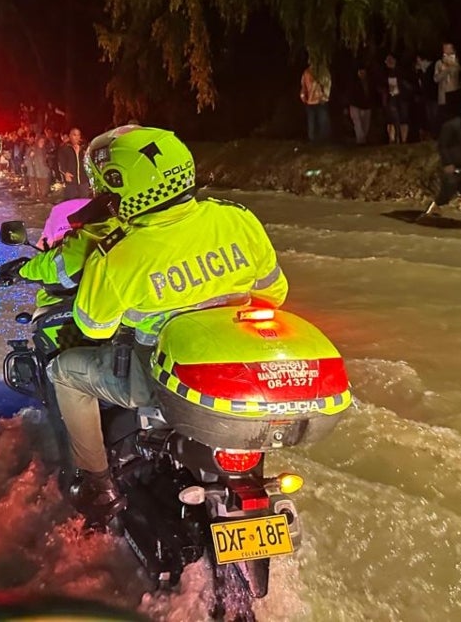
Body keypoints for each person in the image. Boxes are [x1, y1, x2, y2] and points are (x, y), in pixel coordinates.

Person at [47, 126, 288, 523]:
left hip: (159, 381)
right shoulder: (238, 219)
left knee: (64, 373)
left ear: (118, 186)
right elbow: (274, 293)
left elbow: (94, 327)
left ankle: (98, 482)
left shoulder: (119, 253)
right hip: (238, 374)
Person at [424, 98, 461, 217]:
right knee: (448, 189)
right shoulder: (451, 126)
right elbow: (443, 146)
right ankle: (432, 211)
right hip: (451, 167)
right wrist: (447, 163)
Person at [434, 42, 461, 127]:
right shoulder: (439, 63)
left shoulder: (457, 61)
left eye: (448, 48)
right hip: (444, 93)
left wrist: (454, 65)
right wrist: (446, 70)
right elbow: (436, 78)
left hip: (455, 92)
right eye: (444, 48)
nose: (446, 50)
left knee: (455, 114)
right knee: (445, 116)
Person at [300, 61, 331, 142]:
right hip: (310, 102)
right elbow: (303, 86)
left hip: (321, 101)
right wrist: (303, 96)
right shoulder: (307, 72)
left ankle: (323, 140)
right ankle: (313, 140)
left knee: (322, 121)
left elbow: (328, 84)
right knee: (312, 122)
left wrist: (325, 97)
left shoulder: (323, 72)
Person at [56, 127, 90, 200]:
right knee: (72, 202)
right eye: (74, 135)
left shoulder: (84, 147)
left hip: (83, 179)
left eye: (78, 135)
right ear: (70, 136)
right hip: (71, 180)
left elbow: (89, 161)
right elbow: (61, 163)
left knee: (84, 202)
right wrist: (65, 173)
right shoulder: (64, 148)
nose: (77, 137)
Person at [27, 134, 52, 200]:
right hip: (35, 170)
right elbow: (28, 159)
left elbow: (46, 160)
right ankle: (35, 196)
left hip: (43, 170)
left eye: (43, 142)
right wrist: (30, 156)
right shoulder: (33, 149)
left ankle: (43, 195)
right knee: (35, 185)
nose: (42, 143)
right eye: (40, 141)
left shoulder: (44, 150)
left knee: (44, 185)